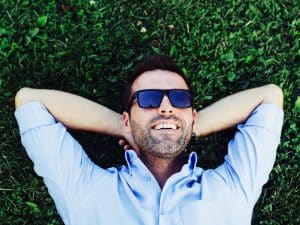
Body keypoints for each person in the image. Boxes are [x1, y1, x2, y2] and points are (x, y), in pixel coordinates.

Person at [14, 55, 284, 225]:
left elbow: (269, 97)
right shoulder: (86, 190)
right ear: (127, 119)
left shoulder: (233, 187)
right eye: (148, 99)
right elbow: (30, 101)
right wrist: (130, 130)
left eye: (179, 99)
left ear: (193, 115)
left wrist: (182, 128)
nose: (166, 107)